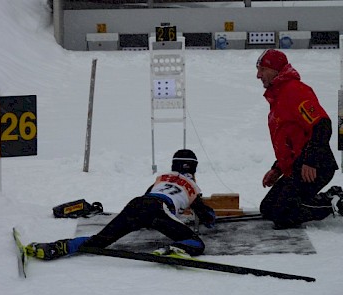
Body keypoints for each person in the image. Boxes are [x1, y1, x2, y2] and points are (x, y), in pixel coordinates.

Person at [26, 149, 216, 260]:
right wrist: (208, 216)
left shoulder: (161, 178)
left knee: (99, 241)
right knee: (197, 243)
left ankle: (57, 247)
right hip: (158, 209)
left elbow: (149, 194)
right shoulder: (193, 187)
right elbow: (207, 217)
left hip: (136, 204)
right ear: (194, 168)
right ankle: (171, 250)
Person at [256, 49, 343, 229]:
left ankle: (334, 200)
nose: (258, 75)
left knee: (282, 215)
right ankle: (307, 202)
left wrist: (310, 160)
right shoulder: (279, 96)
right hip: (298, 165)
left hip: (317, 165)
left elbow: (322, 124)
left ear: (275, 70)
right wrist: (277, 169)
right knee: (267, 209)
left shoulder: (294, 91)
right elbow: (292, 140)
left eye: (263, 69)